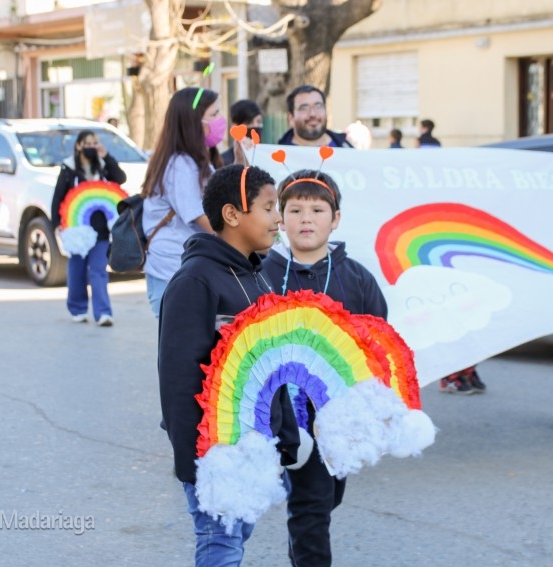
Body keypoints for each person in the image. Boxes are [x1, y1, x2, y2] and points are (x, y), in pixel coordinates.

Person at [158, 164, 298, 566]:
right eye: (269, 207)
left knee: (237, 536)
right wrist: (195, 465)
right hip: (214, 452)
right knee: (221, 545)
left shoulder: (259, 275)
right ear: (233, 214)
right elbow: (178, 379)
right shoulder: (195, 281)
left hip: (254, 445)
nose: (278, 219)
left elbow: (271, 366)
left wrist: (285, 435)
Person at [262, 168, 386, 567]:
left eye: (317, 209)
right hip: (286, 414)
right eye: (295, 209)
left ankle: (301, 545)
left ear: (335, 219)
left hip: (340, 414)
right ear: (280, 218)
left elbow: (380, 342)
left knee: (329, 497)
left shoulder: (356, 278)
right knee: (312, 505)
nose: (306, 219)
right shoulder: (263, 274)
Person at [141, 86, 223, 316]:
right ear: (194, 122)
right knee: (178, 347)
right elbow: (199, 216)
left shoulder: (199, 161)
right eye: (215, 115)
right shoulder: (181, 165)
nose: (221, 121)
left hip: (187, 267)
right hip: (172, 270)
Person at [51, 130, 127, 326]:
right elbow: (58, 198)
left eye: (95, 143)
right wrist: (56, 224)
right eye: (88, 143)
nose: (92, 146)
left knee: (98, 270)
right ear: (79, 146)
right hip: (77, 231)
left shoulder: (103, 167)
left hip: (101, 230)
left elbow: (120, 178)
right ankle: (77, 308)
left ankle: (103, 312)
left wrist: (106, 156)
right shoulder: (68, 169)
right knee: (77, 269)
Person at [277, 86, 353, 148]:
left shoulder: (346, 147)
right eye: (304, 108)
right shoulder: (279, 159)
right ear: (291, 118)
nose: (312, 114)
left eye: (318, 106)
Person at [221, 99, 263, 166]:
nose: (255, 126)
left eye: (259, 122)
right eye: (249, 122)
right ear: (235, 126)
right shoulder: (223, 161)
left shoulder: (267, 156)